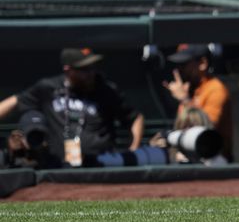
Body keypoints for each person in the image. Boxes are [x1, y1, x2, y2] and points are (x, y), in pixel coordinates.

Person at [0, 48, 144, 167]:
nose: (90, 74)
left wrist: (134, 149)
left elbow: (135, 118)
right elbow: (15, 101)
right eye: (84, 70)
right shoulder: (49, 88)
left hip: (100, 164)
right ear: (68, 70)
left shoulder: (106, 90)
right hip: (59, 164)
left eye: (92, 68)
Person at [164, 44, 233, 160]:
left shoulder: (216, 89)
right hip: (191, 159)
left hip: (215, 162)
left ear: (202, 63)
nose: (179, 70)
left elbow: (206, 133)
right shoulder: (190, 89)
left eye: (184, 64)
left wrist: (184, 99)